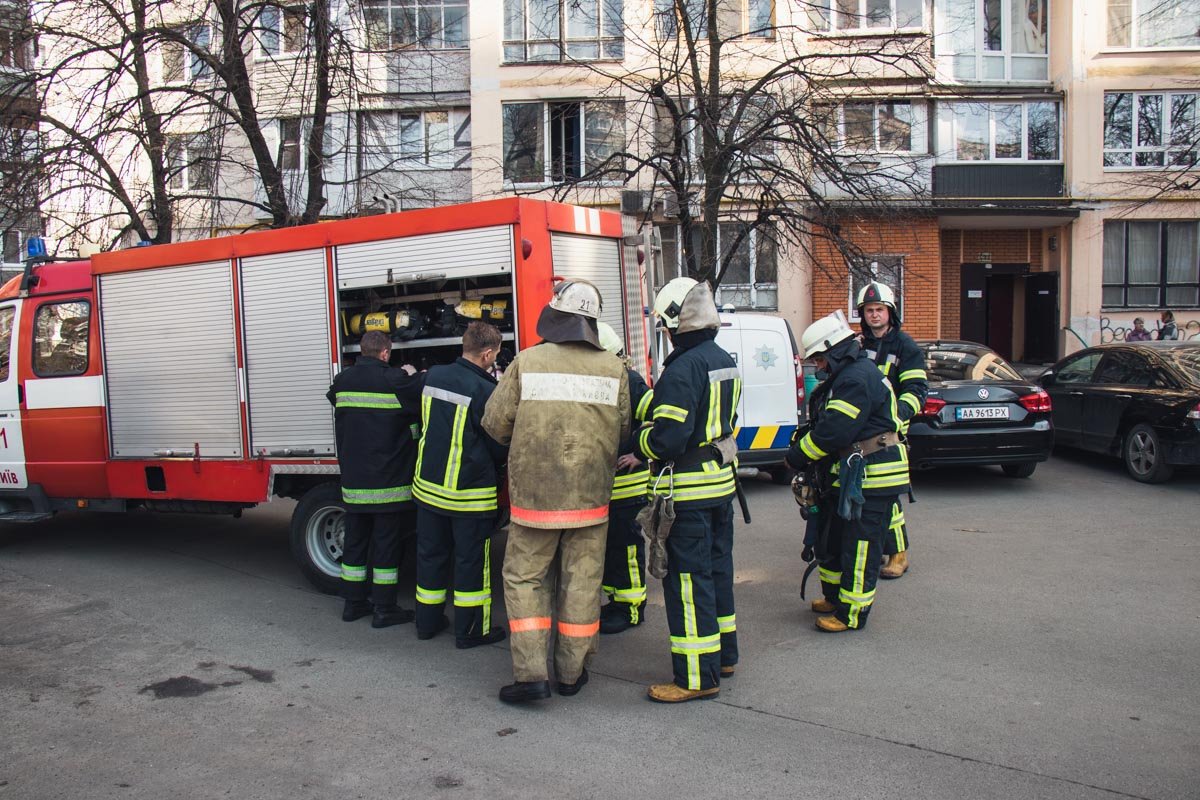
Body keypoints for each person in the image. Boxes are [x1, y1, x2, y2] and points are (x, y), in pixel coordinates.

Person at [482, 280, 630, 704]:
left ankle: (531, 676)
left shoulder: (527, 362)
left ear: (557, 315)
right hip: (591, 501)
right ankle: (571, 673)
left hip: (535, 502)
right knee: (582, 583)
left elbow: (494, 423)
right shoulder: (614, 368)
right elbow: (623, 430)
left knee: (525, 580)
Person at [635, 277, 742, 704]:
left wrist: (641, 439)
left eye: (665, 324)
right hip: (719, 488)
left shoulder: (682, 367)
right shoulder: (721, 358)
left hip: (689, 497)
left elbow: (668, 440)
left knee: (688, 584)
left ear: (677, 321)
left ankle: (697, 677)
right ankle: (724, 656)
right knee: (717, 576)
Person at [786, 313, 910, 633]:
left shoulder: (855, 378)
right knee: (837, 539)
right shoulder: (852, 373)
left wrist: (799, 455)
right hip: (860, 474)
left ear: (834, 350)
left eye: (820, 358)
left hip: (875, 474)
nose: (818, 366)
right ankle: (837, 598)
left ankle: (851, 614)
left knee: (860, 547)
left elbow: (834, 432)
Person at [412, 321, 509, 649]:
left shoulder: (433, 376)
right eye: (494, 355)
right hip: (468, 496)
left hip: (428, 489)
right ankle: (470, 631)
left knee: (430, 557)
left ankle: (426, 623)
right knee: (470, 564)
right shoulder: (485, 391)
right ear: (486, 354)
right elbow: (498, 444)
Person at [326, 329, 424, 628]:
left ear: (362, 351)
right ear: (385, 353)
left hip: (355, 481)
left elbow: (336, 401)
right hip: (388, 483)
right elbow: (417, 400)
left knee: (355, 542)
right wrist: (413, 373)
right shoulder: (394, 380)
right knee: (386, 546)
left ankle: (353, 604)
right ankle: (384, 609)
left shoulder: (343, 381)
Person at [855, 281, 926, 580]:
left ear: (890, 312)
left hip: (890, 434)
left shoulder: (905, 346)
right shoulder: (859, 344)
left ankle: (899, 554)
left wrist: (896, 416)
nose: (874, 315)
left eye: (879, 310)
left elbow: (916, 389)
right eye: (869, 310)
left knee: (888, 496)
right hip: (861, 432)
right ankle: (878, 547)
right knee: (871, 495)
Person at [596, 321, 654, 635]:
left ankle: (631, 609)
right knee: (612, 548)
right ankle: (617, 601)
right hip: (608, 485)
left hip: (627, 485)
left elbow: (657, 418)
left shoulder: (630, 381)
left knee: (627, 547)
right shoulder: (611, 379)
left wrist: (638, 453)